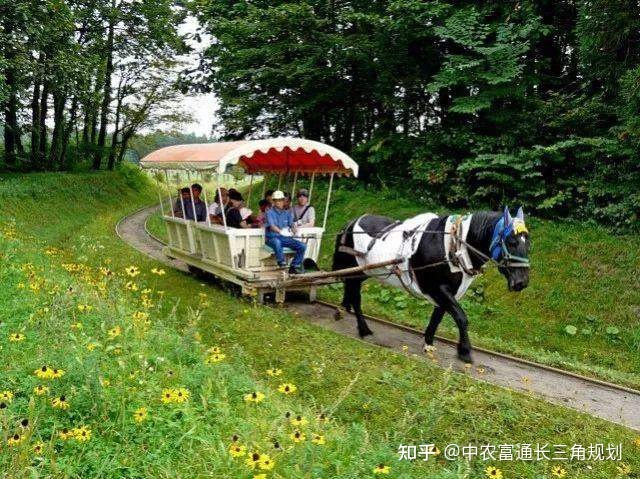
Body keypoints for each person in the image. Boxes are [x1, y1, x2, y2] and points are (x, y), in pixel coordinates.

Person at [265, 190, 306, 274]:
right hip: (272, 238)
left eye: (280, 200)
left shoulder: (287, 213)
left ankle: (294, 266)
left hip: (284, 238)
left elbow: (292, 225)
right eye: (276, 200)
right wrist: (281, 231)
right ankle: (282, 263)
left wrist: (295, 231)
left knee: (302, 246)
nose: (278, 202)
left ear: (283, 201)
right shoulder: (269, 213)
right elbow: (272, 226)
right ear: (273, 201)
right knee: (277, 242)